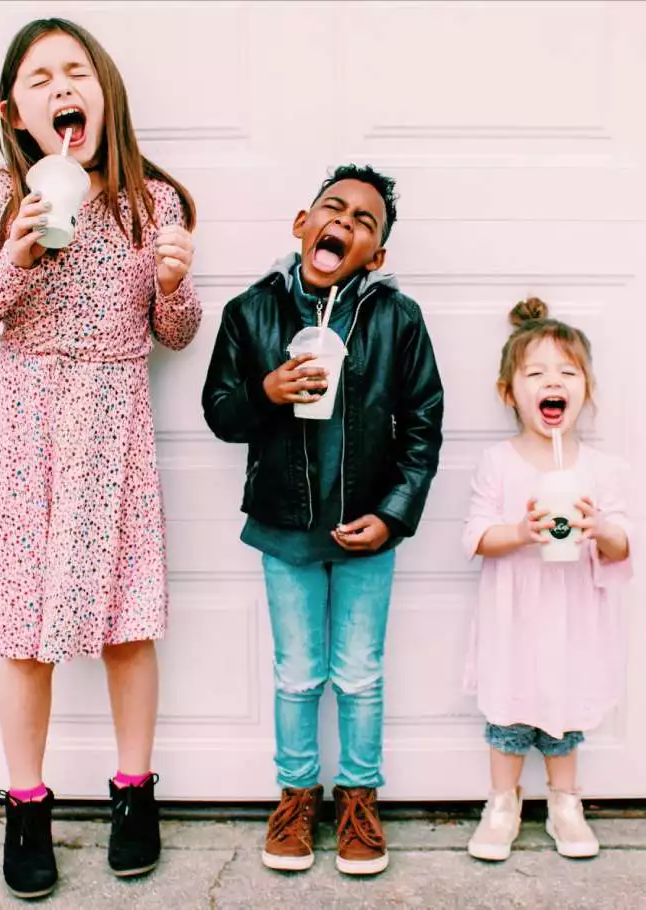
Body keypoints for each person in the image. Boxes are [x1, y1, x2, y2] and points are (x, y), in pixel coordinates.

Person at [0, 17, 200, 898]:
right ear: (14, 110)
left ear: (103, 92)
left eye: (76, 72)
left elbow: (172, 332)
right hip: (27, 427)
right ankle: (26, 806)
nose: (62, 89)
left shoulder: (146, 201)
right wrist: (14, 257)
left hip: (115, 426)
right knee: (25, 627)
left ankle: (134, 793)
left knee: (129, 622)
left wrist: (172, 284)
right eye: (41, 78)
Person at [201, 165, 444, 876]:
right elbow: (220, 411)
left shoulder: (398, 318)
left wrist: (395, 517)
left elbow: (424, 424)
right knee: (299, 674)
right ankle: (297, 796)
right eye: (334, 210)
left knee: (361, 674)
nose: (346, 222)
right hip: (285, 525)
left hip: (369, 529)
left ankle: (360, 799)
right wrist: (267, 390)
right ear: (302, 224)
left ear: (379, 254)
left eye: (366, 221)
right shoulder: (251, 311)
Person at [462, 298, 633, 863]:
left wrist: (598, 527)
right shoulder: (498, 461)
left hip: (571, 615)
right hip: (513, 614)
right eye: (535, 373)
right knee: (508, 714)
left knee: (564, 711)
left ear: (586, 390)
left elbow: (624, 543)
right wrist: (520, 531)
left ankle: (565, 802)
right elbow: (477, 536)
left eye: (567, 372)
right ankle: (502, 803)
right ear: (510, 393)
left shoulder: (600, 468)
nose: (552, 382)